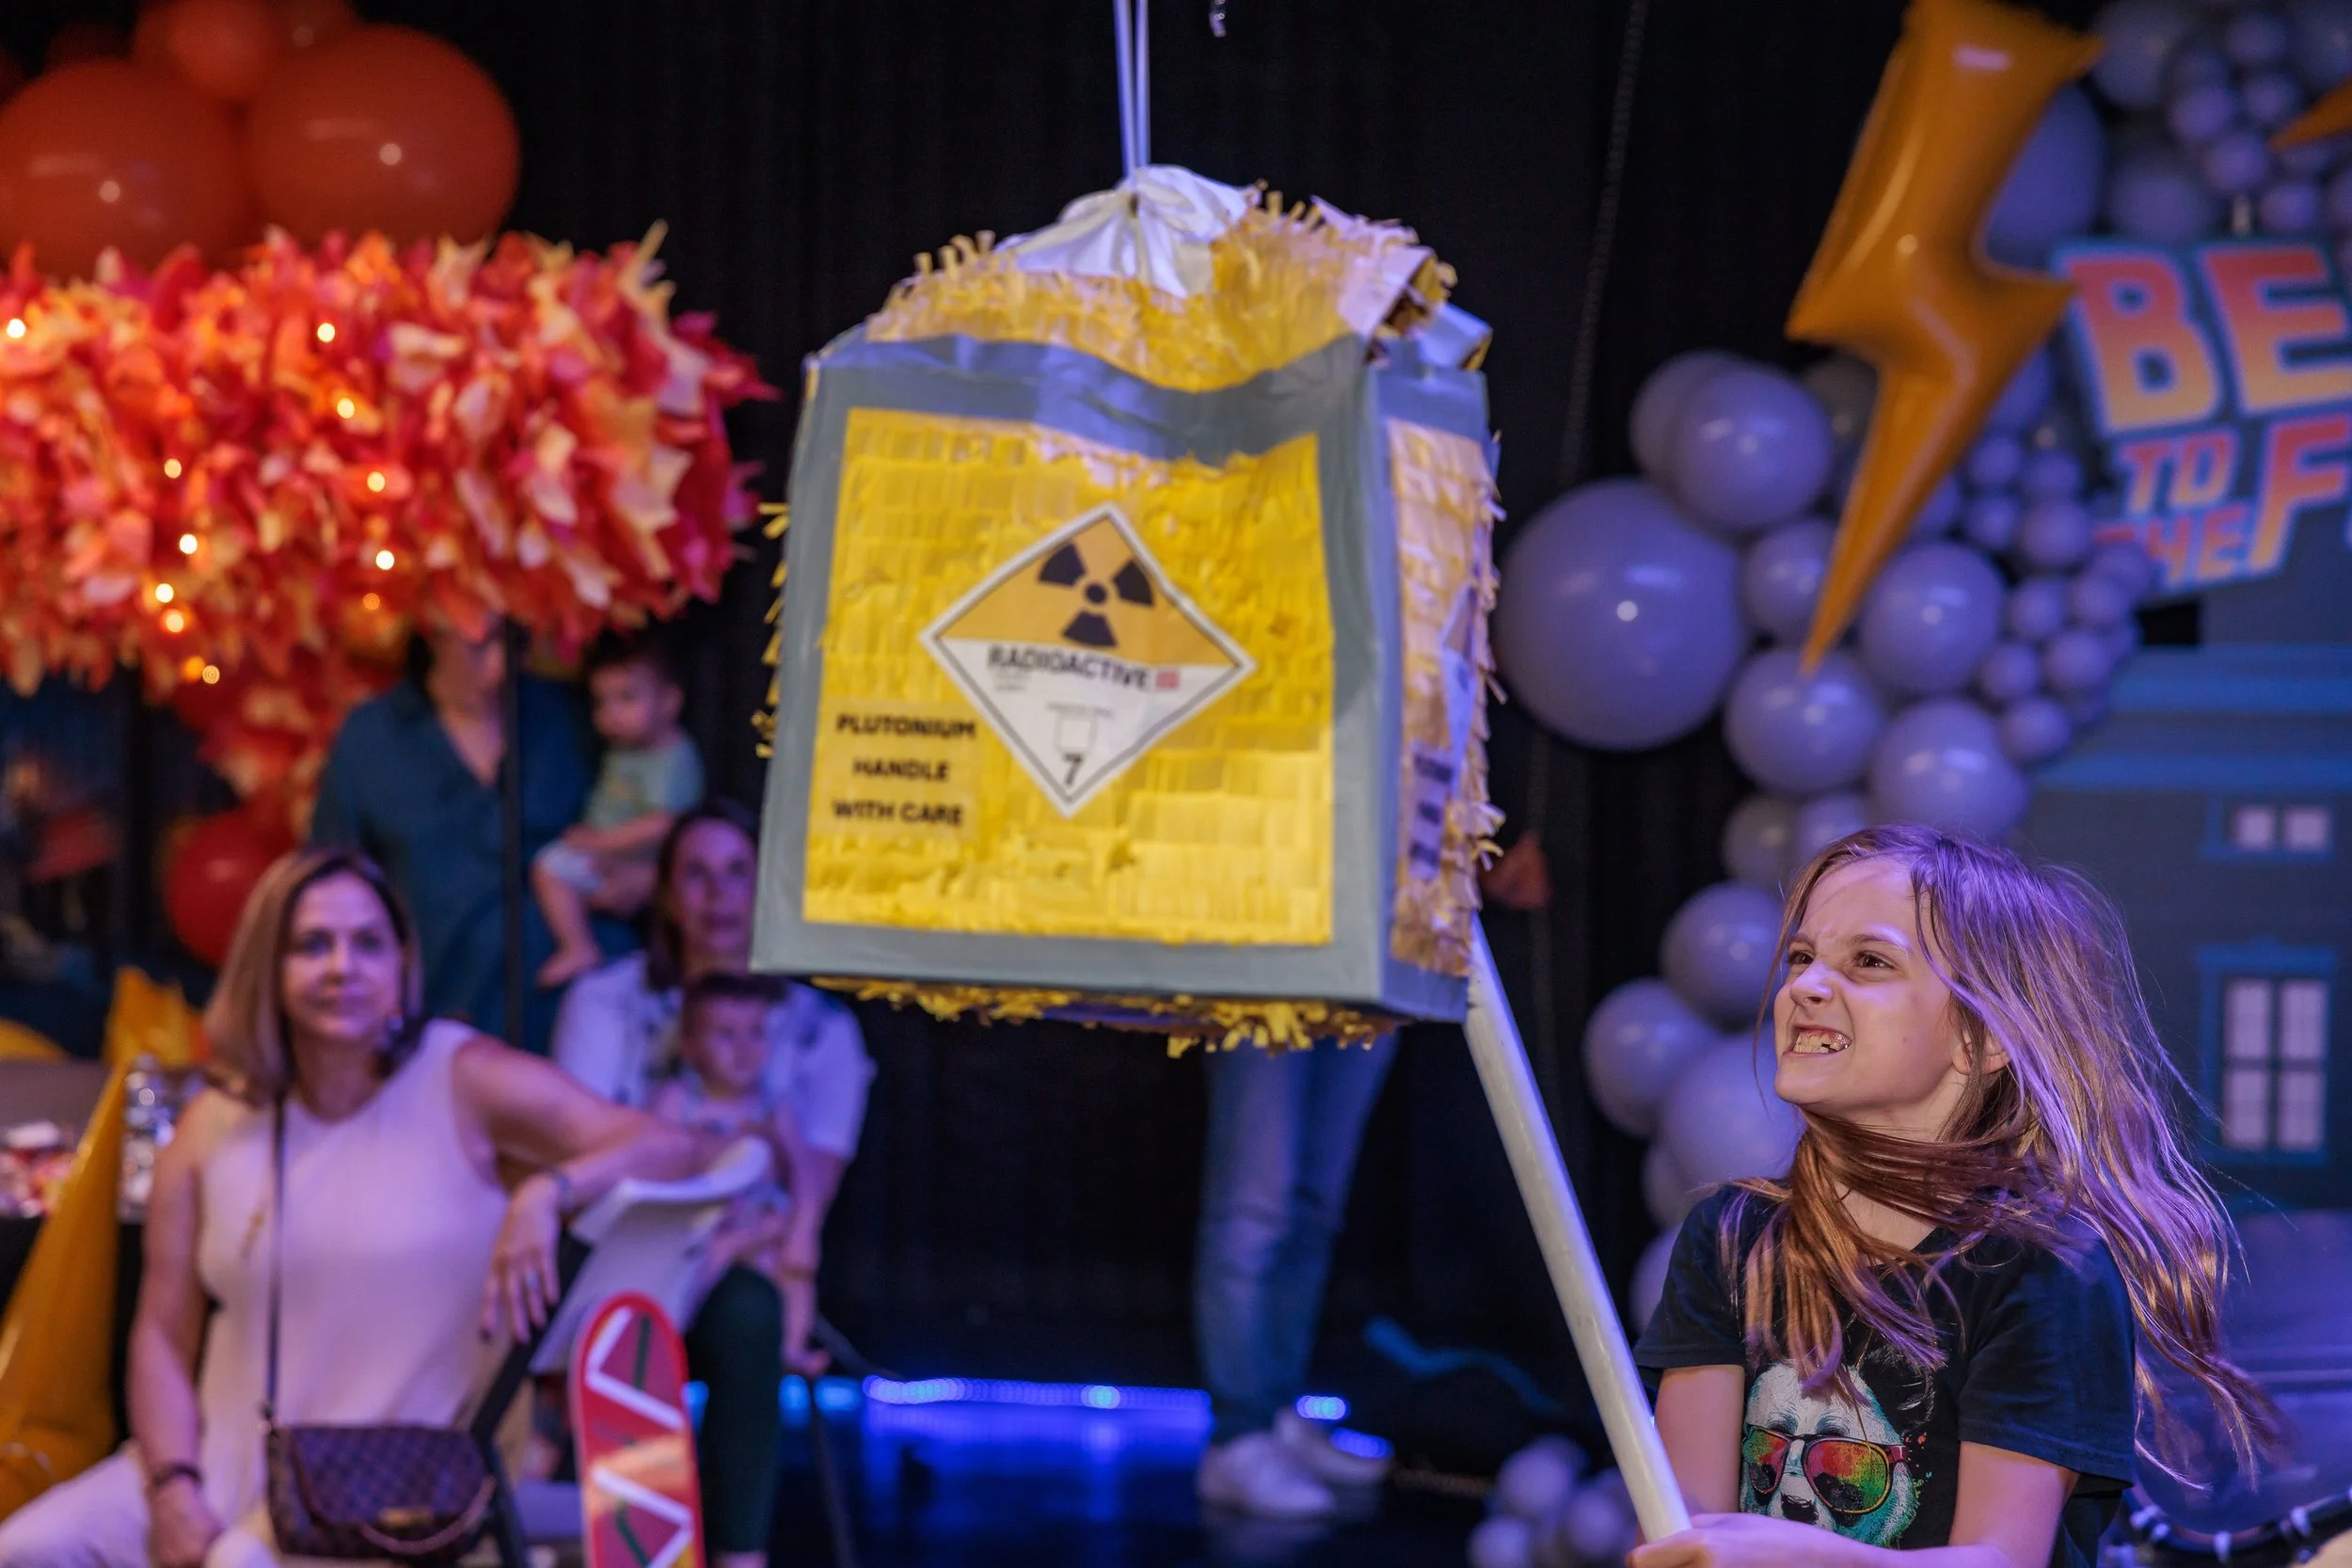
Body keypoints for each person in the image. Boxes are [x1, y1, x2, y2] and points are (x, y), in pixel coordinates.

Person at [0, 847, 696, 1568]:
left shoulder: (463, 1077)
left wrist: (552, 1189)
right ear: (266, 965)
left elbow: (672, 1145)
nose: (343, 967)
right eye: (312, 944)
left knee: (238, 1563)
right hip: (222, 1456)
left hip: (395, 1480)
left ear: (401, 961)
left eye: (369, 942)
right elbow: (160, 1339)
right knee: (25, 1549)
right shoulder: (211, 1126)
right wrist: (175, 1486)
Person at [1630, 826, 2279, 1568]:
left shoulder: (2040, 1265)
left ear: (1978, 1036)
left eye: (1868, 961)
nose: (1804, 985)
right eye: (1802, 957)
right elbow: (1685, 1523)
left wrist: (1790, 1553)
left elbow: (2000, 1558)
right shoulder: (1733, 1234)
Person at [553, 798, 872, 1568]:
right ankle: (612, 1542)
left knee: (751, 1313)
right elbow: (581, 1143)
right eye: (695, 875)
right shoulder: (608, 1001)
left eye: (738, 874)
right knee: (618, 1307)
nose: (719, 895)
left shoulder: (819, 1027)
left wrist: (766, 1238)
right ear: (665, 893)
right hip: (622, 1244)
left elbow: (810, 1184)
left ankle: (737, 1551)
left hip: (749, 1253)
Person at [311, 616, 624, 1057]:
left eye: (512, 644)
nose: (498, 668)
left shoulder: (568, 717)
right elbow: (329, 887)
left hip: (579, 1033)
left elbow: (652, 809)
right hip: (440, 1035)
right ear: (434, 627)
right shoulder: (372, 739)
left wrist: (634, 877)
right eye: (478, 646)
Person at [1192, 1036, 1398, 1521]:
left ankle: (1278, 1416)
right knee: (1253, 1213)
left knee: (1313, 1213)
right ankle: (1238, 1438)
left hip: (1365, 970)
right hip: (1265, 971)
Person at [648, 972, 828, 1376]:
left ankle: (791, 1347)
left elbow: (804, 1171)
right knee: (705, 1260)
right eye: (726, 1035)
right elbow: (652, 1162)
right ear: (690, 1046)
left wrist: (803, 1233)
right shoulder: (678, 1100)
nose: (744, 1049)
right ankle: (667, 1339)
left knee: (791, 1272)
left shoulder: (771, 1105)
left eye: (756, 1033)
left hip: (761, 1222)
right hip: (701, 1227)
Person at [533, 635, 703, 989]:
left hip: (636, 860)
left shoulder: (670, 757)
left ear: (670, 701)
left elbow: (664, 824)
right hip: (615, 861)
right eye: (601, 702)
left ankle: (577, 946)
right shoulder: (624, 750)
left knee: (548, 867)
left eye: (627, 697)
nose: (610, 714)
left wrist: (603, 842)